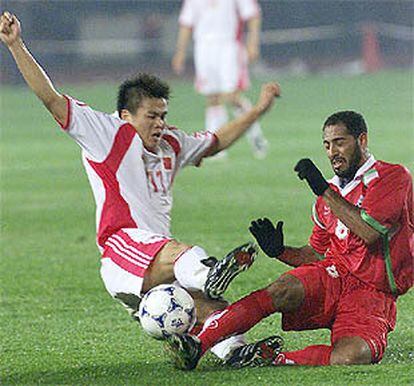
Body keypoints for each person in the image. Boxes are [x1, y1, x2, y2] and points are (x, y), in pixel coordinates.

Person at [0, 11, 281, 360]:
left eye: (163, 115)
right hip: (123, 251)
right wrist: (16, 45)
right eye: (152, 116)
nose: (160, 123)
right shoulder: (107, 134)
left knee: (212, 310)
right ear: (126, 116)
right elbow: (52, 99)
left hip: (156, 263)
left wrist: (257, 111)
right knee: (181, 252)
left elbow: (216, 141)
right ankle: (207, 273)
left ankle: (232, 352)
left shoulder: (172, 145)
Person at [166, 110, 413, 369]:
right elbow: (316, 254)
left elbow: (370, 233)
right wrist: (280, 251)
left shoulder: (392, 177)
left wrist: (324, 190)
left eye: (340, 142)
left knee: (351, 356)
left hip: (373, 294)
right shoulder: (326, 198)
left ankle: (266, 358)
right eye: (327, 145)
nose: (332, 152)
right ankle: (197, 344)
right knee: (280, 290)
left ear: (362, 140)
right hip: (336, 274)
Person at [172, 0, 268, 159]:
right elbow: (186, 23)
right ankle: (214, 147)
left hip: (228, 46)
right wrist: (180, 52)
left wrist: (253, 42)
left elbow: (252, 14)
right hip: (203, 47)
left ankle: (256, 136)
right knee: (212, 98)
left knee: (232, 97)